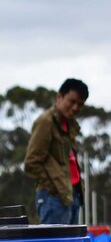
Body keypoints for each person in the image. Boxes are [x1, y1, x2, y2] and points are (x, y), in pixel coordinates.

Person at [24, 78, 88, 225]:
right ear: (59, 97)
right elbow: (31, 163)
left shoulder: (69, 125)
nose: (75, 108)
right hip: (53, 198)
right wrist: (54, 187)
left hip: (72, 195)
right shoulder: (46, 121)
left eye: (80, 104)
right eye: (72, 101)